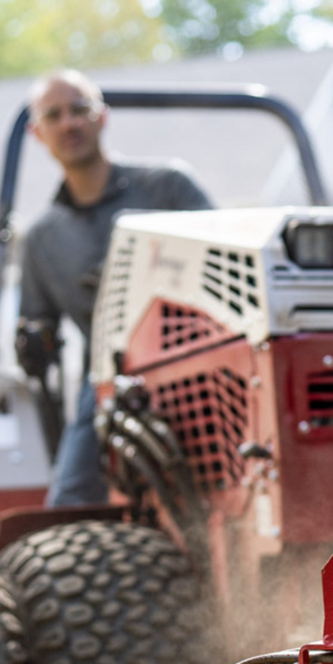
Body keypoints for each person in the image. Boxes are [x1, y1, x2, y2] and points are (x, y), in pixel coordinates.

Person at [16, 69, 213, 505]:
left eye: (79, 109)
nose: (69, 123)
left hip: (199, 360)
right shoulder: (43, 238)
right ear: (37, 132)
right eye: (54, 115)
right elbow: (37, 331)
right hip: (108, 380)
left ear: (102, 116)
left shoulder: (168, 188)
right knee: (70, 502)